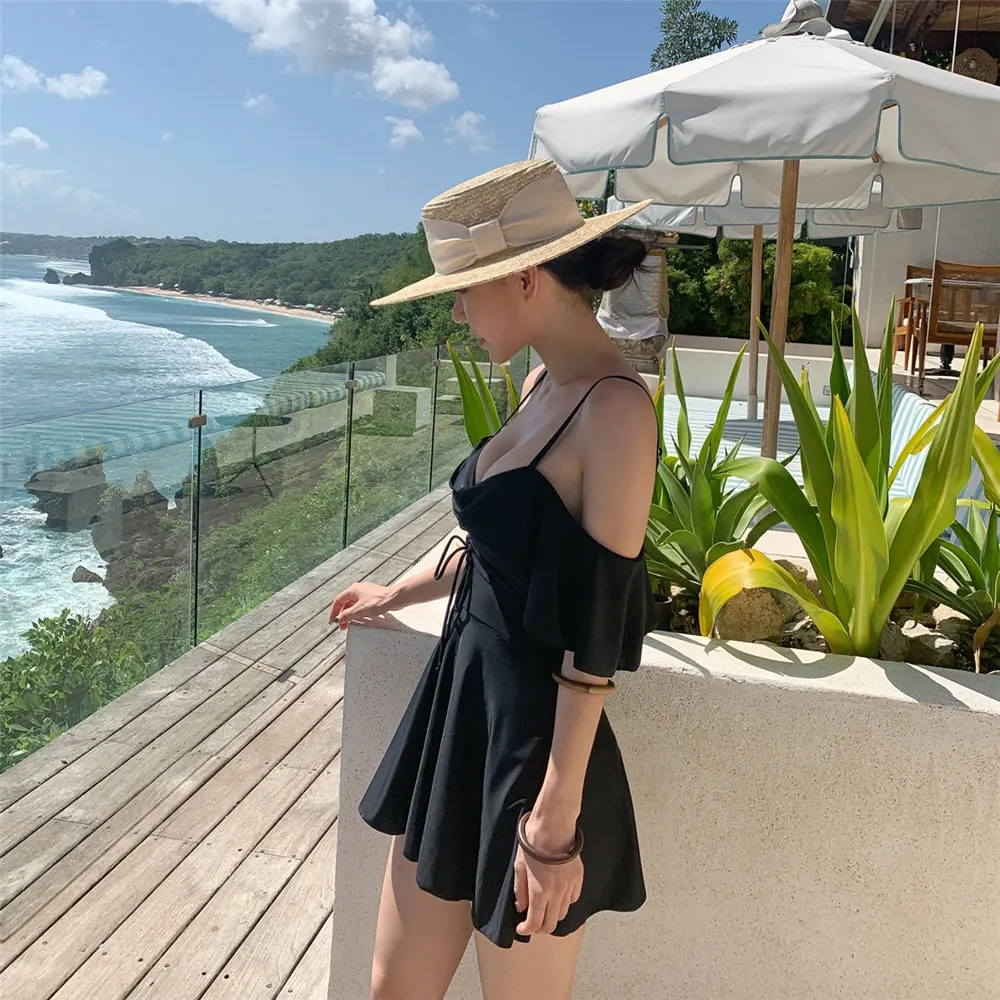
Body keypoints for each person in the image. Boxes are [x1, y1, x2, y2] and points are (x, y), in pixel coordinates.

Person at [329, 159, 660, 1000]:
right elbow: (498, 545)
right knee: (392, 986)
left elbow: (597, 633)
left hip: (533, 746)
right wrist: (398, 592)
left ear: (523, 278)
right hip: (459, 708)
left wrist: (554, 824)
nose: (456, 312)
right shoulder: (545, 382)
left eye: (462, 291)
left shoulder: (616, 410)